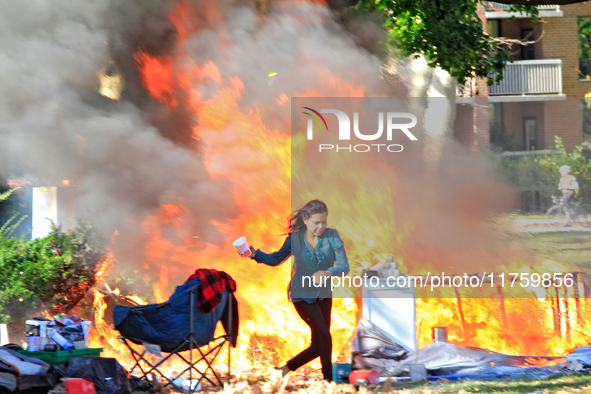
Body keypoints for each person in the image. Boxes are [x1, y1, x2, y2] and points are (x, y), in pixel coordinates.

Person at [246, 199, 349, 381]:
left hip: (324, 295)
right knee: (325, 337)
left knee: (318, 344)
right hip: (302, 295)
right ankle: (329, 383)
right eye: (317, 222)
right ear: (306, 219)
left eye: (324, 222)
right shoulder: (294, 240)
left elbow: (343, 267)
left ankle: (284, 370)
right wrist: (256, 255)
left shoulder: (332, 236)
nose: (321, 226)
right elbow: (275, 259)